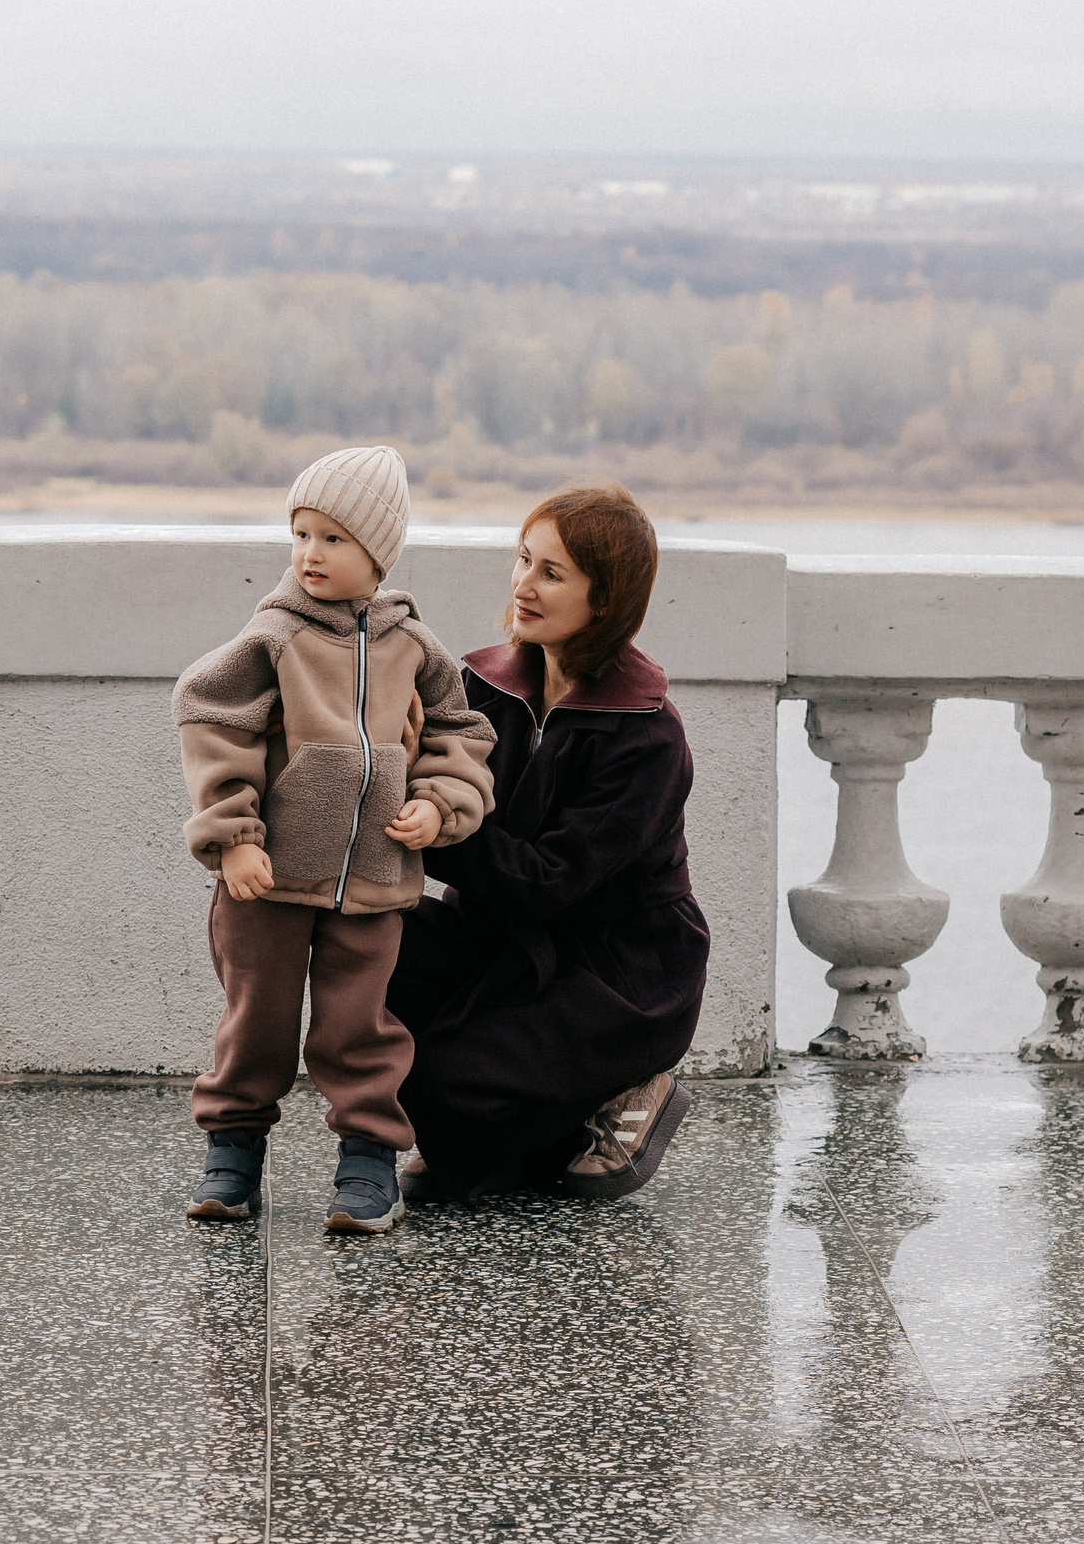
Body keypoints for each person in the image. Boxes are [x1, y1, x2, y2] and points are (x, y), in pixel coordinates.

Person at [171, 445, 498, 1233]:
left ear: (378, 552)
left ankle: (367, 1159)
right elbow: (213, 717)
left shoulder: (414, 646)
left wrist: (440, 803)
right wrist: (233, 837)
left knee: (362, 1027)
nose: (311, 554)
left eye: (334, 538)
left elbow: (463, 733)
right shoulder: (274, 637)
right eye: (302, 534)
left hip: (376, 879)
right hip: (268, 879)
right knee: (258, 1021)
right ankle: (233, 1150)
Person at [388, 483, 708, 1202]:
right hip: (502, 935)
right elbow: (438, 781)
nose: (522, 586)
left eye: (551, 573)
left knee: (442, 1095)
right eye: (523, 559)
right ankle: (543, 1112)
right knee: (369, 946)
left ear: (607, 599)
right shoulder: (485, 689)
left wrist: (436, 825)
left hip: (617, 972)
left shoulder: (649, 735)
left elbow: (545, 881)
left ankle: (623, 1090)